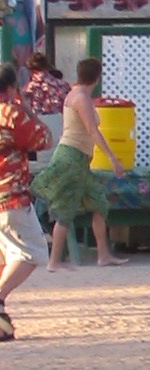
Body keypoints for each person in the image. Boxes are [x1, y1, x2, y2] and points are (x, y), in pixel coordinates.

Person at [31, 57, 127, 270]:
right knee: (66, 210)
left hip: (77, 158)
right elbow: (93, 130)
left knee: (99, 203)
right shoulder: (81, 98)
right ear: (97, 77)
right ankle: (54, 260)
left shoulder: (75, 94)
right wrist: (112, 158)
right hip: (72, 157)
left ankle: (103, 254)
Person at [0, 65, 51, 340]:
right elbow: (45, 139)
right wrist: (27, 109)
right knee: (32, 252)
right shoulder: (11, 113)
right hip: (11, 196)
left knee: (4, 258)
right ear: (10, 89)